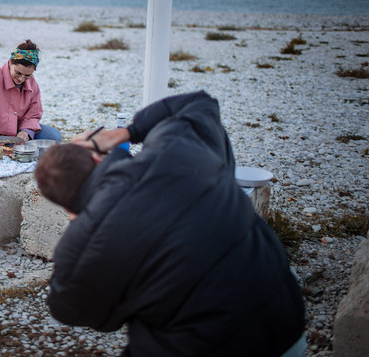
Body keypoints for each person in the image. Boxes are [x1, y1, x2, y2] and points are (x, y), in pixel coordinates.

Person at [34, 91, 306, 357]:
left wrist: (78, 225)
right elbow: (198, 102)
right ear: (98, 156)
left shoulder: (80, 247)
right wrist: (124, 133)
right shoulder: (175, 149)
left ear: (66, 206)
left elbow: (66, 307)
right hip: (287, 321)